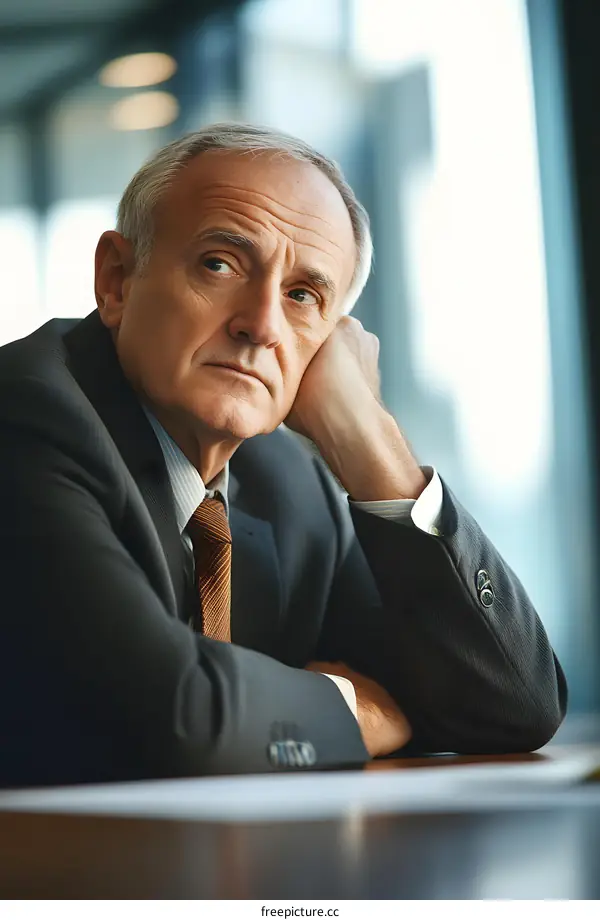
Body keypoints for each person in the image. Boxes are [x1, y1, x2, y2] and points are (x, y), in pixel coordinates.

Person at [0, 124, 566, 786]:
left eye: (303, 296)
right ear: (117, 280)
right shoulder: (27, 418)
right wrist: (351, 708)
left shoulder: (291, 481)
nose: (262, 324)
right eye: (221, 263)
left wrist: (370, 441)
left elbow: (514, 705)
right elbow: (173, 717)